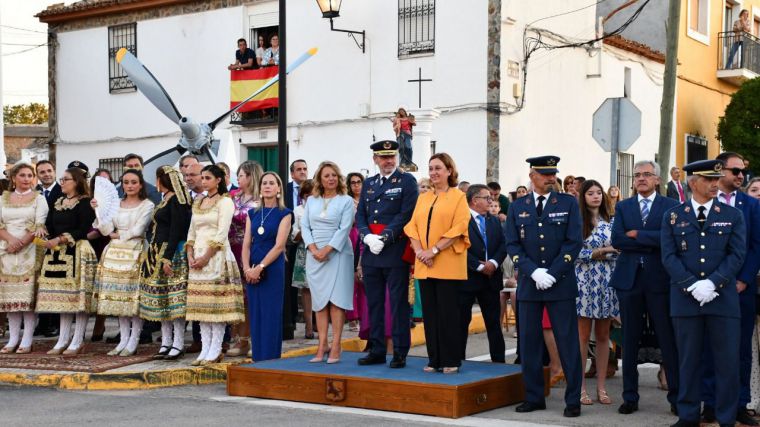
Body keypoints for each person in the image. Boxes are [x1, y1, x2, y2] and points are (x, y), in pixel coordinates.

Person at [663, 159, 746, 427]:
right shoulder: (673, 215)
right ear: (692, 182)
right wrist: (691, 284)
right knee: (688, 361)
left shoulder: (732, 215)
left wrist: (712, 283)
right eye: (708, 179)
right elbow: (669, 256)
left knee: (726, 363)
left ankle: (726, 417)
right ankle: (688, 416)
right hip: (686, 300)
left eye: (716, 179)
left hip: (722, 300)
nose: (714, 183)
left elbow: (737, 254)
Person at [505, 155, 583, 417]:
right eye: (545, 174)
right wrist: (534, 271)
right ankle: (534, 396)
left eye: (553, 174)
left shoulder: (568, 203)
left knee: (567, 342)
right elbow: (513, 244)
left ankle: (573, 400)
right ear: (532, 176)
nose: (551, 178)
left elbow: (573, 242)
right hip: (530, 285)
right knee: (528, 343)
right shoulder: (518, 206)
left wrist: (553, 272)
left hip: (560, 284)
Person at [610, 160, 680, 415]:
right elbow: (617, 239)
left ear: (658, 180)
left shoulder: (671, 206)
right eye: (637, 175)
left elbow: (669, 238)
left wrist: (636, 235)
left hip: (660, 281)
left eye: (647, 175)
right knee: (629, 341)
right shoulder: (624, 206)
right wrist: (647, 240)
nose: (641, 178)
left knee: (667, 340)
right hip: (629, 281)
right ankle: (630, 397)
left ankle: (676, 398)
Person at [700, 152, 760, 426]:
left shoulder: (751, 206)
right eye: (735, 171)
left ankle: (739, 404)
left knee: (740, 349)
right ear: (719, 170)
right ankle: (710, 404)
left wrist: (744, 279)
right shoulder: (703, 203)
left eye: (743, 172)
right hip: (709, 288)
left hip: (740, 289)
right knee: (709, 347)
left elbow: (756, 246)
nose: (741, 176)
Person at [405, 153, 470, 373]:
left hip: (447, 263)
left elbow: (459, 228)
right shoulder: (423, 197)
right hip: (425, 263)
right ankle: (434, 359)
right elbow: (412, 226)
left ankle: (451, 359)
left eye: (438, 168)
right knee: (430, 315)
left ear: (449, 171)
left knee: (448, 314)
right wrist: (420, 252)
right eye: (431, 168)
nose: (433, 173)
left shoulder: (458, 197)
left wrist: (433, 250)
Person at [357, 140, 419, 369]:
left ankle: (400, 351)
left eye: (392, 156)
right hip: (372, 253)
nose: (388, 161)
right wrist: (366, 236)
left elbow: (406, 215)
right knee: (374, 303)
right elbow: (361, 215)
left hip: (394, 251)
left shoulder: (406, 181)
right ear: (375, 159)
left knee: (398, 304)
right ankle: (377, 349)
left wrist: (384, 238)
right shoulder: (369, 183)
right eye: (383, 157)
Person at [185, 165, 245, 366]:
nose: (203, 181)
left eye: (208, 177)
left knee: (215, 307)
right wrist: (190, 253)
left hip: (216, 256)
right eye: (202, 178)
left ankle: (216, 348)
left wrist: (206, 256)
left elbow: (222, 232)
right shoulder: (199, 201)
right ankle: (205, 348)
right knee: (202, 307)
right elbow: (192, 231)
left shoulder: (225, 201)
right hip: (198, 255)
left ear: (219, 180)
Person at [36, 164, 98, 355]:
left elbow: (83, 229)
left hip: (78, 251)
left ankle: (78, 339)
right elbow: (50, 224)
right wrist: (44, 233)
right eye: (61, 179)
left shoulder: (86, 202)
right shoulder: (59, 201)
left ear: (76, 182)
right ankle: (63, 339)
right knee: (64, 299)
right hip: (57, 253)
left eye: (65, 179)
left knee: (78, 299)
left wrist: (61, 238)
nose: (62, 183)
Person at [92, 169, 154, 356]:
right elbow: (105, 230)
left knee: (133, 299)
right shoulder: (116, 204)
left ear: (141, 184)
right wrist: (98, 212)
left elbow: (139, 229)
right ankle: (123, 341)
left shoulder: (147, 205)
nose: (130, 186)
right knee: (119, 300)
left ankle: (133, 340)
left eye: (134, 182)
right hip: (113, 254)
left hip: (135, 252)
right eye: (126, 182)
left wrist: (119, 234)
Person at [301, 162, 355, 363]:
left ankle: (337, 344)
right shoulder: (312, 201)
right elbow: (305, 226)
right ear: (320, 179)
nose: (331, 178)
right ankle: (322, 344)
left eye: (334, 175)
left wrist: (328, 249)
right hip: (314, 255)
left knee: (336, 301)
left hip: (338, 254)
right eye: (326, 175)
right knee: (320, 301)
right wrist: (313, 248)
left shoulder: (346, 201)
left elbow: (344, 228)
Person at [139, 166, 192, 361]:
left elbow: (177, 231)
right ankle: (166, 342)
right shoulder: (165, 199)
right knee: (162, 300)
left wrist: (167, 257)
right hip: (156, 251)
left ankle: (178, 343)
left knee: (174, 300)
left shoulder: (177, 200)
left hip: (171, 253)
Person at [575, 180, 619, 406]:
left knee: (603, 336)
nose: (596, 196)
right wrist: (600, 251)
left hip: (605, 282)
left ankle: (601, 387)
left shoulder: (609, 222)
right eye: (590, 193)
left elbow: (618, 250)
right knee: (582, 337)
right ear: (583, 196)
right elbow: (574, 253)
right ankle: (580, 388)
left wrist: (602, 253)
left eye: (598, 193)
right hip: (582, 283)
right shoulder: (576, 222)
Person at [242, 172, 292, 361]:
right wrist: (247, 268)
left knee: (271, 314)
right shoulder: (252, 213)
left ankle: (270, 360)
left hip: (271, 268)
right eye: (264, 183)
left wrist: (260, 267)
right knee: (256, 313)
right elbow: (246, 243)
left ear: (279, 188)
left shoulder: (285, 214)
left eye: (272, 183)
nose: (267, 186)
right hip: (253, 268)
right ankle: (257, 358)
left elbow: (279, 246)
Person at [0, 163, 49, 354]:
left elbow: (39, 224)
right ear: (14, 178)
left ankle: (26, 339)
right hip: (6, 250)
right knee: (10, 298)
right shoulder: (3, 199)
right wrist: (10, 241)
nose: (27, 178)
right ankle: (12, 339)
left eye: (30, 175)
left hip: (29, 249)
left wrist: (20, 242)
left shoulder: (39, 199)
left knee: (27, 299)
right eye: (22, 175)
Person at [460, 184, 506, 363]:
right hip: (468, 279)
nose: (491, 201)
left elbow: (503, 244)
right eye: (486, 198)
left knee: (494, 324)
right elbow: (459, 247)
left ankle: (499, 363)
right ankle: (458, 361)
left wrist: (493, 263)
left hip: (491, 279)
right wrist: (478, 267)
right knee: (461, 324)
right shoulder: (462, 219)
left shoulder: (494, 221)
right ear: (474, 200)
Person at [227, 160, 263, 357]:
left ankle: (253, 340)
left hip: (250, 250)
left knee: (252, 298)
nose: (238, 179)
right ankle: (239, 340)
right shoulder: (233, 197)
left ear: (250, 176)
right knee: (237, 298)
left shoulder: (260, 200)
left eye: (241, 175)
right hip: (231, 249)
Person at [284, 159, 308, 339]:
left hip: (307, 243)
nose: (303, 172)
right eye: (299, 169)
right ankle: (290, 320)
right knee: (290, 284)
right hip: (287, 240)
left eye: (305, 169)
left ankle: (312, 322)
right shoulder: (284, 189)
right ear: (292, 173)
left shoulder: (314, 190)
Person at [291, 180, 315, 339]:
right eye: (309, 195)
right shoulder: (298, 210)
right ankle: (309, 326)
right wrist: (303, 227)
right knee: (306, 290)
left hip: (321, 249)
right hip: (304, 250)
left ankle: (320, 323)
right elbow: (294, 236)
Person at [345, 172, 365, 332]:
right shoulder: (347, 202)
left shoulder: (368, 199)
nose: (356, 185)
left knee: (363, 281)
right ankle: (352, 318)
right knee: (351, 281)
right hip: (352, 236)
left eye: (359, 182)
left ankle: (364, 316)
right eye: (353, 183)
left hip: (365, 236)